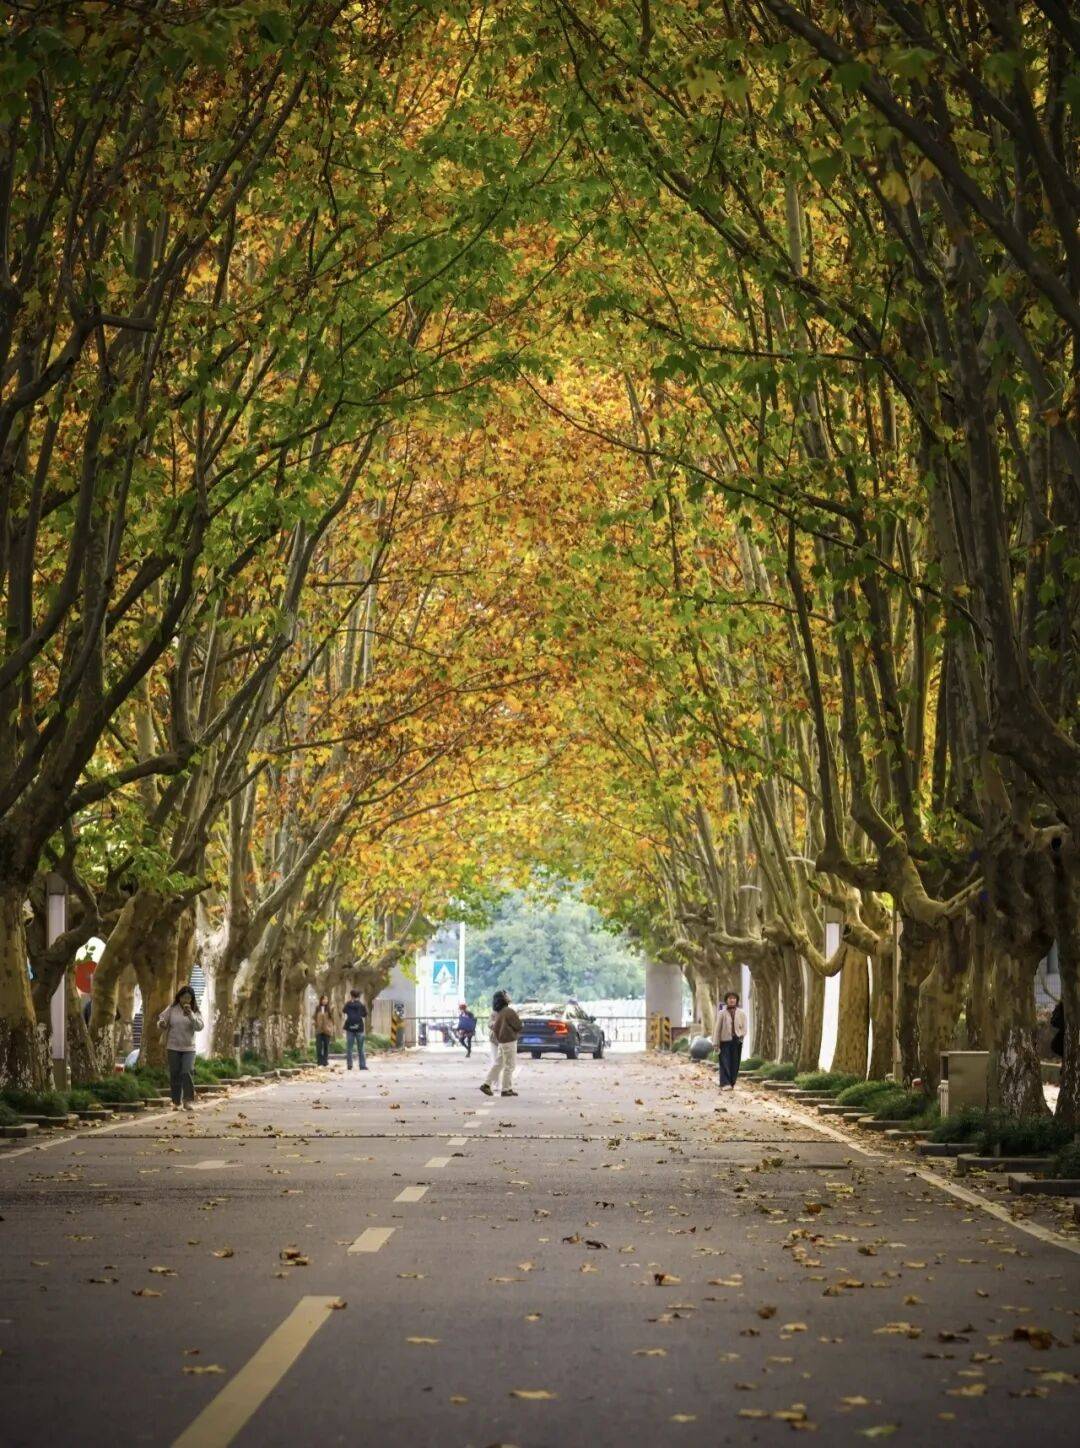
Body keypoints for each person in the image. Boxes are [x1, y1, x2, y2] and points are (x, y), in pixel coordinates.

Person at [158, 985, 203, 1112]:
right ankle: (176, 1102)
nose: (185, 1000)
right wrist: (161, 1023)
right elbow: (162, 1020)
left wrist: (191, 1015)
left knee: (186, 1071)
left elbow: (199, 1027)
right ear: (179, 997)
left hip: (189, 1048)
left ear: (192, 999)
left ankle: (187, 1101)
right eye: (183, 997)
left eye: (188, 998)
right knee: (175, 1074)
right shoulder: (172, 1009)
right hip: (173, 1047)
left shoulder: (195, 1011)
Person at [481, 989, 522, 1097]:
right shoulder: (508, 1011)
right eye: (506, 994)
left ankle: (486, 1084)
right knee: (510, 1065)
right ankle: (506, 1089)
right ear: (503, 998)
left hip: (502, 1041)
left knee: (499, 1064)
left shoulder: (498, 1012)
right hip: (509, 1041)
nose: (508, 995)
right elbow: (518, 1025)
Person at [713, 990, 748, 1090]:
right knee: (724, 1062)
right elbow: (717, 1029)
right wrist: (716, 1043)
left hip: (736, 1040)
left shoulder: (741, 1013)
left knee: (735, 1062)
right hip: (724, 1041)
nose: (732, 1000)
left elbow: (745, 1027)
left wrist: (742, 1035)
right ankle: (725, 1083)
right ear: (726, 1000)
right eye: (730, 998)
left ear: (736, 1000)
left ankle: (732, 1082)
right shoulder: (722, 1013)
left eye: (734, 998)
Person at [343, 988, 368, 1071]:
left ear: (351, 996)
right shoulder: (361, 1005)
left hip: (349, 1027)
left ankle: (349, 1065)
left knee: (349, 1048)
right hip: (359, 1027)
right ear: (359, 996)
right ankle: (362, 1065)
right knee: (361, 1048)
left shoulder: (348, 1004)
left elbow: (344, 1011)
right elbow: (364, 1015)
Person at [314, 995, 335, 1067]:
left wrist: (331, 1027)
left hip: (327, 1030)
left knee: (326, 1046)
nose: (325, 1001)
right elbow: (314, 1017)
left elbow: (333, 1019)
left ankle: (325, 1061)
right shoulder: (317, 1008)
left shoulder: (329, 1009)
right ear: (321, 1000)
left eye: (326, 999)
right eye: (323, 999)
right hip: (319, 1030)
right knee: (319, 1046)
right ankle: (319, 1061)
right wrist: (315, 1024)